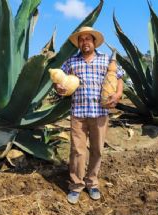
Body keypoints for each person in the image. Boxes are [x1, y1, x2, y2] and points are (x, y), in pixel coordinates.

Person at [54, 26, 125, 204]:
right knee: (77, 151)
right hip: (78, 113)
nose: (84, 42)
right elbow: (59, 81)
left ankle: (92, 183)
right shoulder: (71, 62)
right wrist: (59, 88)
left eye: (88, 39)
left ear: (94, 42)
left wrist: (117, 95)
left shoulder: (106, 60)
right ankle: (76, 185)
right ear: (78, 43)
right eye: (81, 39)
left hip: (100, 113)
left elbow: (119, 77)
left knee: (97, 150)